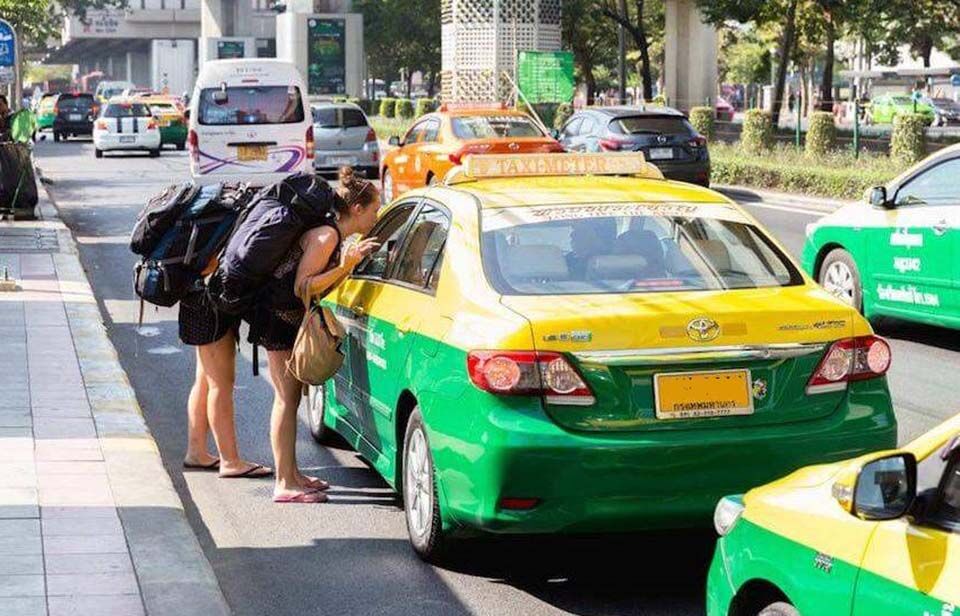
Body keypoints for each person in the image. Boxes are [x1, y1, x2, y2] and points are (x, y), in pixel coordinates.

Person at [252, 167, 380, 503]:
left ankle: (292, 473)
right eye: (375, 210)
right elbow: (302, 285)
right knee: (286, 399)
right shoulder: (327, 236)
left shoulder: (332, 234)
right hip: (278, 319)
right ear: (357, 210)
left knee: (292, 400)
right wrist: (346, 265)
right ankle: (283, 483)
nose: (376, 216)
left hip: (285, 317)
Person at [179, 283, 272, 479]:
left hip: (197, 295)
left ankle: (197, 452)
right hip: (211, 299)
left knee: (205, 378)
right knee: (220, 384)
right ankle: (230, 461)